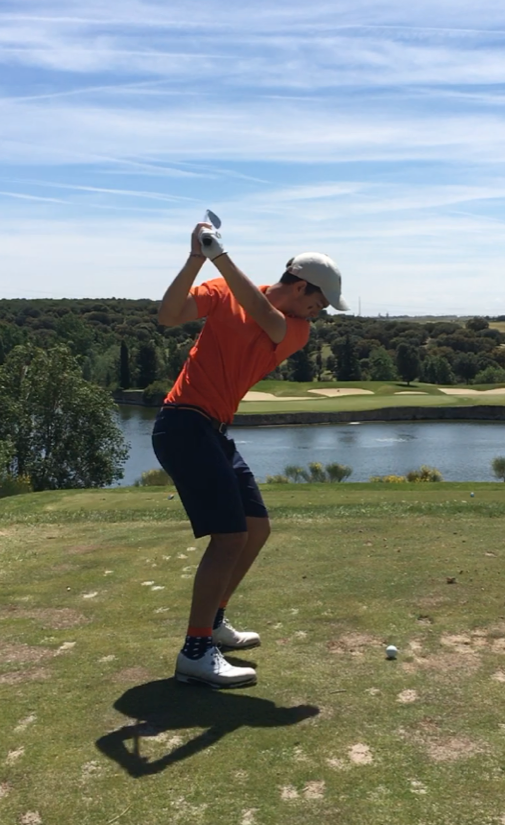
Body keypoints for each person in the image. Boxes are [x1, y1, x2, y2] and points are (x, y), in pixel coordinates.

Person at [153, 220, 348, 689]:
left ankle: (213, 622)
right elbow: (168, 315)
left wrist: (219, 255)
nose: (317, 313)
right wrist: (198, 259)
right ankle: (196, 652)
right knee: (229, 537)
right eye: (318, 303)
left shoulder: (294, 328)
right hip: (183, 423)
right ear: (301, 286)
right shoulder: (222, 290)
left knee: (255, 529)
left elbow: (263, 314)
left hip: (214, 430)